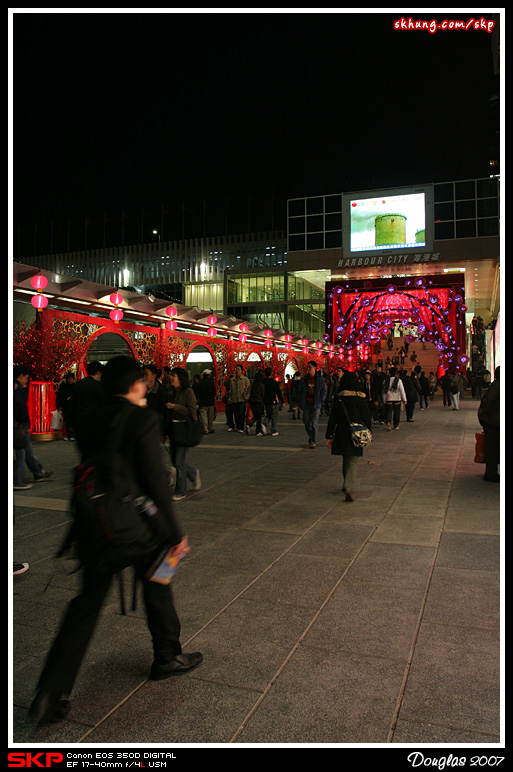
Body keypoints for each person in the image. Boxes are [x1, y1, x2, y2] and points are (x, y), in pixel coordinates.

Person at [29, 356, 202, 728]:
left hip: (97, 526)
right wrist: (176, 536)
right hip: (143, 528)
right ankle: (167, 656)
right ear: (135, 385)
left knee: (84, 607)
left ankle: (48, 693)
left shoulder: (87, 418)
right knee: (160, 583)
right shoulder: (143, 419)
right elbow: (155, 483)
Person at [326, 372, 372, 501]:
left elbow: (333, 418)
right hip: (356, 433)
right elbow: (367, 417)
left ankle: (346, 483)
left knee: (346, 458)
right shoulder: (360, 398)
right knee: (353, 459)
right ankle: (348, 486)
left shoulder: (339, 398)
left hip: (342, 432)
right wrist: (368, 431)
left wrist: (329, 435)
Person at [13, 366, 53, 489]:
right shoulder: (15, 388)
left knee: (27, 450)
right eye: (26, 378)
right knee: (22, 452)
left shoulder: (19, 388)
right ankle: (18, 480)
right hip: (18, 425)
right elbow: (20, 407)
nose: (27, 380)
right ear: (20, 376)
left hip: (20, 424)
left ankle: (38, 472)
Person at [165, 367, 201, 501]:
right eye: (171, 375)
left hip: (184, 430)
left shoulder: (188, 392)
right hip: (174, 430)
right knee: (175, 460)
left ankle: (181, 490)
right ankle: (193, 474)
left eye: (174, 376)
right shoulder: (171, 392)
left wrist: (175, 407)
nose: (171, 378)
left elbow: (192, 412)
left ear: (180, 378)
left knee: (179, 461)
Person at [297, 361, 328, 448]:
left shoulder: (320, 380)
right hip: (306, 403)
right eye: (308, 367)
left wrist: (321, 400)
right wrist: (300, 400)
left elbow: (324, 391)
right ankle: (311, 437)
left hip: (316, 403)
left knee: (314, 423)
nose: (308, 369)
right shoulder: (304, 379)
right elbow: (299, 390)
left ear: (315, 368)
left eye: (310, 367)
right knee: (306, 422)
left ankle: (313, 440)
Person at [478, 367, 500, 482]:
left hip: (492, 421)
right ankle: (490, 473)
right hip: (492, 422)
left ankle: (491, 472)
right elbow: (488, 403)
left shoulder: (496, 385)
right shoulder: (498, 386)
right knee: (492, 448)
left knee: (494, 447)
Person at [143, 364, 168, 435]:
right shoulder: (141, 391)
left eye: (146, 374)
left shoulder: (161, 392)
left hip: (155, 429)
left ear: (154, 376)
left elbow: (164, 413)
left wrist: (164, 432)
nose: (144, 377)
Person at [227, 364, 250, 433]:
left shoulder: (245, 379)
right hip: (234, 399)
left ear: (242, 371)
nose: (236, 371)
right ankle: (237, 426)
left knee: (241, 413)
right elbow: (231, 389)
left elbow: (249, 389)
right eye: (236, 369)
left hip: (242, 399)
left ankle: (241, 427)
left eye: (238, 369)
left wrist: (247, 397)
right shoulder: (232, 380)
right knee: (236, 413)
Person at [262, 367, 283, 437]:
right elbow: (278, 392)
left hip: (265, 401)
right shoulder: (273, 382)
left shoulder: (263, 382)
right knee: (274, 416)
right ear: (271, 373)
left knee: (268, 414)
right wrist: (282, 401)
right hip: (272, 401)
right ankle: (274, 430)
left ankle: (264, 424)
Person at [56, 372, 76, 441]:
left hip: (73, 407)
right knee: (66, 421)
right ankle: (68, 435)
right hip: (66, 406)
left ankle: (73, 435)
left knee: (72, 421)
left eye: (71, 379)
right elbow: (60, 396)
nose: (70, 380)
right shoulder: (64, 387)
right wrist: (58, 405)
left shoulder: (75, 387)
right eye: (69, 379)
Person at [196, 369, 216, 435]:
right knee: (210, 416)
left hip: (202, 402)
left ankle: (205, 429)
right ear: (209, 375)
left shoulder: (200, 383)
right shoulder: (211, 383)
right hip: (210, 402)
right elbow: (214, 392)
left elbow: (197, 392)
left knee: (203, 416)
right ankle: (210, 428)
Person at [247, 369, 265, 435]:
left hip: (252, 401)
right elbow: (263, 394)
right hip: (258, 402)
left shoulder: (253, 385)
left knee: (256, 416)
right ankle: (258, 430)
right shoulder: (261, 385)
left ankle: (249, 425)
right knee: (259, 417)